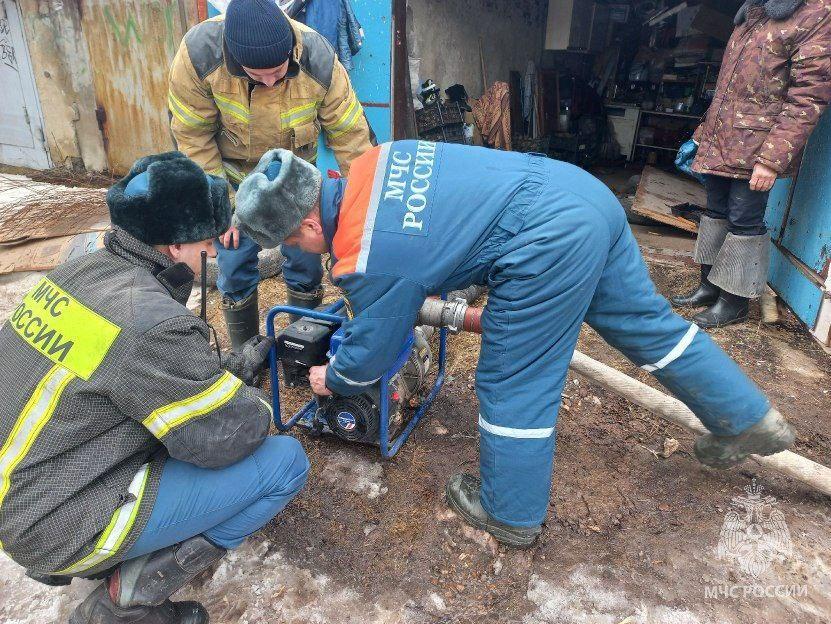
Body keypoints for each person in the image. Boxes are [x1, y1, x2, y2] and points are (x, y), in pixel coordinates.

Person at [231, 141, 796, 548]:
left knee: (513, 379)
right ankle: (746, 417)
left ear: (307, 224)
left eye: (291, 242)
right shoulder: (377, 160)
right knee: (649, 325)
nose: (301, 252)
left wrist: (339, 377)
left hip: (543, 241)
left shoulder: (362, 250)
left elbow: (377, 347)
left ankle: (510, 514)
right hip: (581, 194)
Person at [0, 152, 309, 624]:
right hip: (54, 523)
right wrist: (239, 394)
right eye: (208, 240)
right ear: (174, 246)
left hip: (22, 497)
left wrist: (217, 369)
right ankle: (127, 600)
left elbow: (119, 375)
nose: (212, 252)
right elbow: (232, 435)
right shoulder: (149, 322)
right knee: (284, 464)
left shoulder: (75, 273)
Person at [168, 0, 375, 350]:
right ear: (234, 57)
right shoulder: (198, 56)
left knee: (307, 263)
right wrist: (222, 207)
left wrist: (366, 207)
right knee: (232, 264)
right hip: (229, 180)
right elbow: (193, 138)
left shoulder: (319, 60)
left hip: (296, 182)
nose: (267, 81)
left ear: (290, 54)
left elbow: (352, 138)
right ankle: (247, 355)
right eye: (256, 74)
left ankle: (306, 346)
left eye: (277, 73)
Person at [673, 0, 831, 327]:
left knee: (744, 221)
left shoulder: (815, 13)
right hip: (722, 138)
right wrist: (705, 132)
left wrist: (772, 161)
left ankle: (734, 302)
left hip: (759, 146)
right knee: (715, 212)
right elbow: (729, 88)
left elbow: (808, 97)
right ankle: (710, 286)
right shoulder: (751, 11)